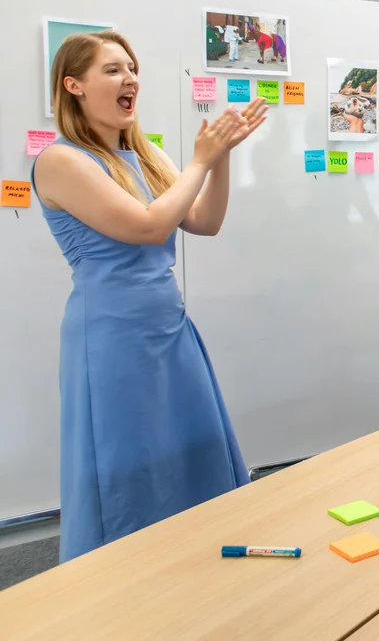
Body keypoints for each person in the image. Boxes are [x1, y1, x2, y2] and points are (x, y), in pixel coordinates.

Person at [31, 30, 269, 562]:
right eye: (113, 69)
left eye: (132, 68)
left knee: (189, 454)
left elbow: (204, 222)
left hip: (169, 327)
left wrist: (221, 156)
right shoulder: (61, 161)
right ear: (74, 85)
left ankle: (189, 570)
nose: (129, 78)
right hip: (110, 337)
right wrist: (199, 162)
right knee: (125, 464)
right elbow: (146, 226)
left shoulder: (146, 155)